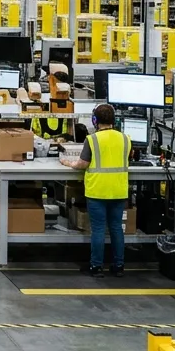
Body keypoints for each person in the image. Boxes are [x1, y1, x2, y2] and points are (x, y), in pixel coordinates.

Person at [60, 103, 129, 278]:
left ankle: (96, 267)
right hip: (119, 190)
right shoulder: (125, 138)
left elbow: (82, 164)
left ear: (95, 120)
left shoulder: (92, 140)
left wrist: (67, 162)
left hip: (98, 190)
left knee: (98, 229)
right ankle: (119, 266)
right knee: (116, 228)